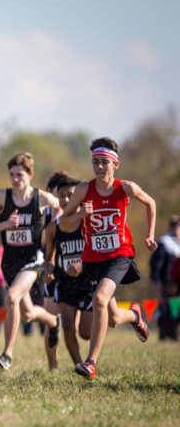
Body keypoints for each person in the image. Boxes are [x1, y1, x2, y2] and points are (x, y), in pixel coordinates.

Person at [61, 137, 156, 380]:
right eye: (95, 162)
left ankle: (91, 362)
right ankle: (134, 314)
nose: (99, 167)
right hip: (93, 259)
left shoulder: (126, 188)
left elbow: (150, 203)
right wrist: (81, 213)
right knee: (113, 317)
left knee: (100, 299)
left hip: (119, 256)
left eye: (104, 162)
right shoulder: (83, 189)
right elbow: (64, 221)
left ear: (116, 164)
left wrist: (149, 234)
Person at [0, 152, 62, 370]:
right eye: (11, 175)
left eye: (19, 175)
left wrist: (52, 227)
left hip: (32, 259)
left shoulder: (40, 198)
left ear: (30, 174)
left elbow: (58, 207)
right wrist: (5, 225)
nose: (15, 179)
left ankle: (7, 355)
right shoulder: (1, 197)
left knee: (11, 296)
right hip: (10, 261)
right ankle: (53, 321)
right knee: (26, 313)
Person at [44, 175, 93, 369]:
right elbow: (49, 259)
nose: (66, 200)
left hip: (89, 281)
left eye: (70, 195)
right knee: (68, 327)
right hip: (65, 281)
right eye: (62, 196)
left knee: (86, 333)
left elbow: (98, 250)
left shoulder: (89, 221)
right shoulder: (52, 229)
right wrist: (47, 271)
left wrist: (82, 263)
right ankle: (80, 366)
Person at [150, 215, 180, 340]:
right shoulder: (164, 242)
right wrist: (158, 281)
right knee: (167, 308)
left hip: (178, 281)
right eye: (176, 226)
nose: (177, 229)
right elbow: (156, 264)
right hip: (168, 283)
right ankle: (166, 334)